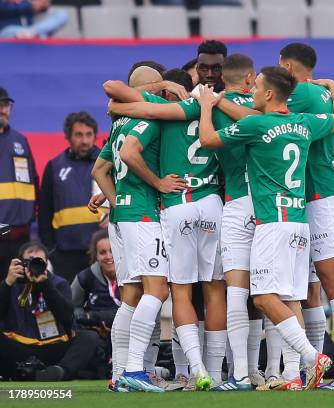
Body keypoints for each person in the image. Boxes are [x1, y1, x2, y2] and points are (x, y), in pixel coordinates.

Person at [107, 56, 266, 391]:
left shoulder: (163, 114)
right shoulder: (210, 108)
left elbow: (116, 97)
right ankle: (221, 373)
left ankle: (193, 371)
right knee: (215, 288)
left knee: (179, 290)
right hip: (211, 203)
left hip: (175, 204)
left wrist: (152, 93)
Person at [196, 66, 334, 390]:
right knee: (291, 297)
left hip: (272, 225)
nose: (252, 94)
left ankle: (312, 357)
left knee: (264, 298)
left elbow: (208, 139)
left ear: (268, 94)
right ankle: (295, 374)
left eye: (257, 89)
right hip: (299, 223)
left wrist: (208, 106)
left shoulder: (255, 124)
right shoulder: (304, 123)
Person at [278, 43, 334, 390]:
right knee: (327, 282)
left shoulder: (299, 94)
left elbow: (263, 113)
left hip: (325, 194)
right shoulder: (328, 92)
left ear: (287, 65)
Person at [93, 65, 185, 393]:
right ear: (150, 90)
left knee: (131, 295)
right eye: (159, 90)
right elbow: (131, 155)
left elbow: (99, 169)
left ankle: (119, 374)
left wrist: (117, 203)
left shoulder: (119, 123)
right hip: (143, 215)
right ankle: (134, 369)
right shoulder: (148, 118)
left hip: (125, 217)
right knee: (157, 290)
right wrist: (158, 183)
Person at [0, 241, 99, 381]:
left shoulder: (58, 283)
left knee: (89, 337)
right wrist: (7, 283)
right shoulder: (11, 283)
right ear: (20, 263)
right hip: (18, 346)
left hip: (53, 345)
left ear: (47, 263)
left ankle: (59, 371)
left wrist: (45, 284)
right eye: (29, 261)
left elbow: (66, 317)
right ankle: (17, 373)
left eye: (39, 261)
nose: (34, 266)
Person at [38, 111, 102, 283]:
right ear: (68, 137)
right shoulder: (54, 166)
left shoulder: (107, 163)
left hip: (101, 252)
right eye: (79, 135)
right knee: (69, 306)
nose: (85, 140)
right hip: (65, 255)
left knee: (103, 306)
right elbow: (44, 212)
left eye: (89, 134)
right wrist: (50, 249)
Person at [0, 86, 38, 283]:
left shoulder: (20, 141)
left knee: (20, 291)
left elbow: (33, 181)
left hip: (20, 233)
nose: (2, 109)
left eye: (5, 105)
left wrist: (30, 216)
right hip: (1, 231)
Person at [71, 229, 121, 379]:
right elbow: (71, 307)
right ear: (96, 256)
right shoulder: (85, 277)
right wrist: (88, 321)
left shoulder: (132, 273)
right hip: (98, 333)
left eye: (112, 251)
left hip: (128, 330)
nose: (108, 256)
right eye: (103, 252)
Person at [0, 0, 68, 39]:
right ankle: (38, 35)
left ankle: (34, 33)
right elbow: (4, 9)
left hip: (31, 29)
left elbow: (38, 9)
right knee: (11, 30)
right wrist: (31, 6)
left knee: (62, 15)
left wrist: (42, 5)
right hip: (8, 31)